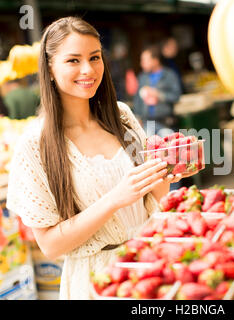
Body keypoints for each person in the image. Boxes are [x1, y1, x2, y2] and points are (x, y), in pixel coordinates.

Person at [6, 17, 196, 300]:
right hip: (97, 283)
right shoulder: (35, 145)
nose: (88, 69)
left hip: (151, 265)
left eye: (95, 57)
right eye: (73, 60)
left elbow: (150, 202)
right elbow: (50, 245)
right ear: (49, 68)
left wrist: (164, 174)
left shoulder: (122, 117)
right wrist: (116, 198)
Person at [133, 44, 182, 137]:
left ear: (155, 60)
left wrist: (158, 94)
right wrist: (137, 118)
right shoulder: (142, 77)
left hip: (166, 123)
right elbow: (137, 100)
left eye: (145, 60)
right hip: (147, 124)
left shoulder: (169, 75)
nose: (142, 64)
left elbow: (176, 96)